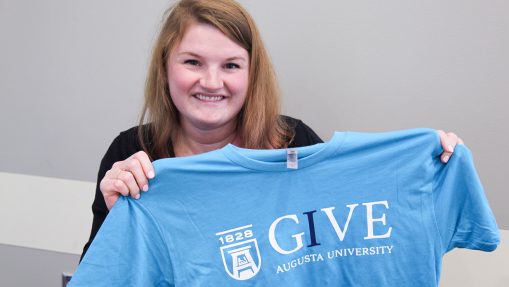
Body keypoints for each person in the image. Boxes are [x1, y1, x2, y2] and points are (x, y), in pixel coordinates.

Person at [80, 0, 463, 261]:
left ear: (252, 74)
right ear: (165, 68)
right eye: (193, 62)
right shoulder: (133, 153)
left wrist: (428, 165)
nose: (212, 82)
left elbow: (354, 233)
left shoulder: (293, 144)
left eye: (231, 65)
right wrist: (119, 218)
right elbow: (100, 279)